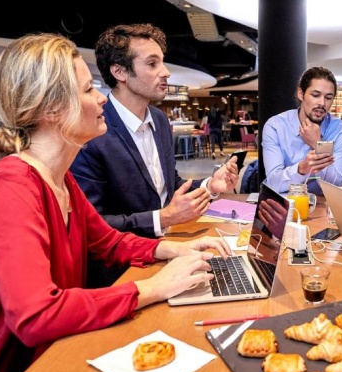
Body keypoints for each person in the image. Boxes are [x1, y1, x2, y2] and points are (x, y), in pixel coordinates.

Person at [0, 33, 231, 372]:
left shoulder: (59, 179)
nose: (101, 97)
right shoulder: (11, 187)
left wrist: (175, 248)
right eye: (88, 90)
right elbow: (36, 316)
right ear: (53, 109)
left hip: (48, 354)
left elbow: (109, 242)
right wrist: (153, 288)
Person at [69, 24, 239, 287]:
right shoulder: (93, 130)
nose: (166, 72)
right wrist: (164, 218)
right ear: (119, 71)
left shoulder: (159, 120)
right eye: (152, 64)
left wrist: (210, 185)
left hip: (168, 252)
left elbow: (169, 183)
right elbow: (93, 223)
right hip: (121, 274)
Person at [262, 67, 342, 194]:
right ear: (301, 94)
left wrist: (318, 144)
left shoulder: (341, 130)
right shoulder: (275, 126)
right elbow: (273, 184)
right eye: (315, 95)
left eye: (328, 97)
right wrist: (301, 169)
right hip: (287, 204)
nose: (322, 103)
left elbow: (336, 184)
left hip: (325, 205)